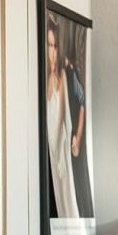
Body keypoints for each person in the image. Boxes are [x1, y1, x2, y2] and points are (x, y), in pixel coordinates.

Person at [45, 16, 79, 219]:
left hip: (59, 148)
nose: (52, 52)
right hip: (49, 148)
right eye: (49, 46)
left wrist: (59, 149)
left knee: (67, 198)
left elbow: (62, 118)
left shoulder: (62, 77)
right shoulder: (45, 79)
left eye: (55, 46)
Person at [65, 47, 93, 217]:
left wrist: (78, 135)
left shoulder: (69, 72)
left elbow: (82, 101)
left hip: (74, 139)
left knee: (79, 181)